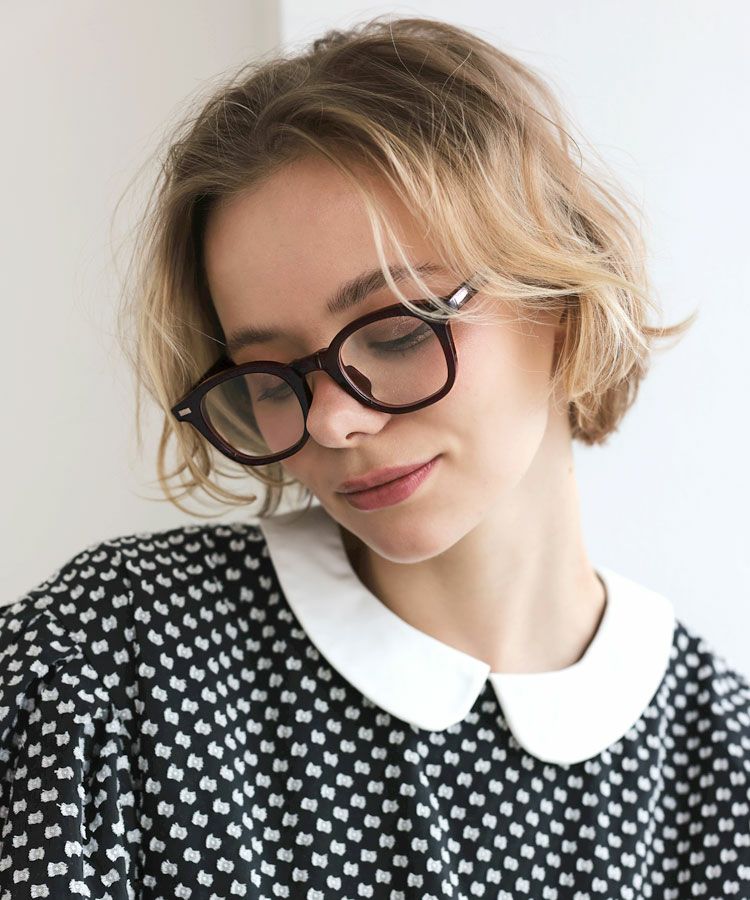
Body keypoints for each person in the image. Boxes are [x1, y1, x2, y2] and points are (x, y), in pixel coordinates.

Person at [1, 14, 748, 899]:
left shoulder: (723, 774)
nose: (332, 423)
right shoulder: (102, 662)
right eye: (271, 376)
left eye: (397, 331)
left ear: (560, 295)